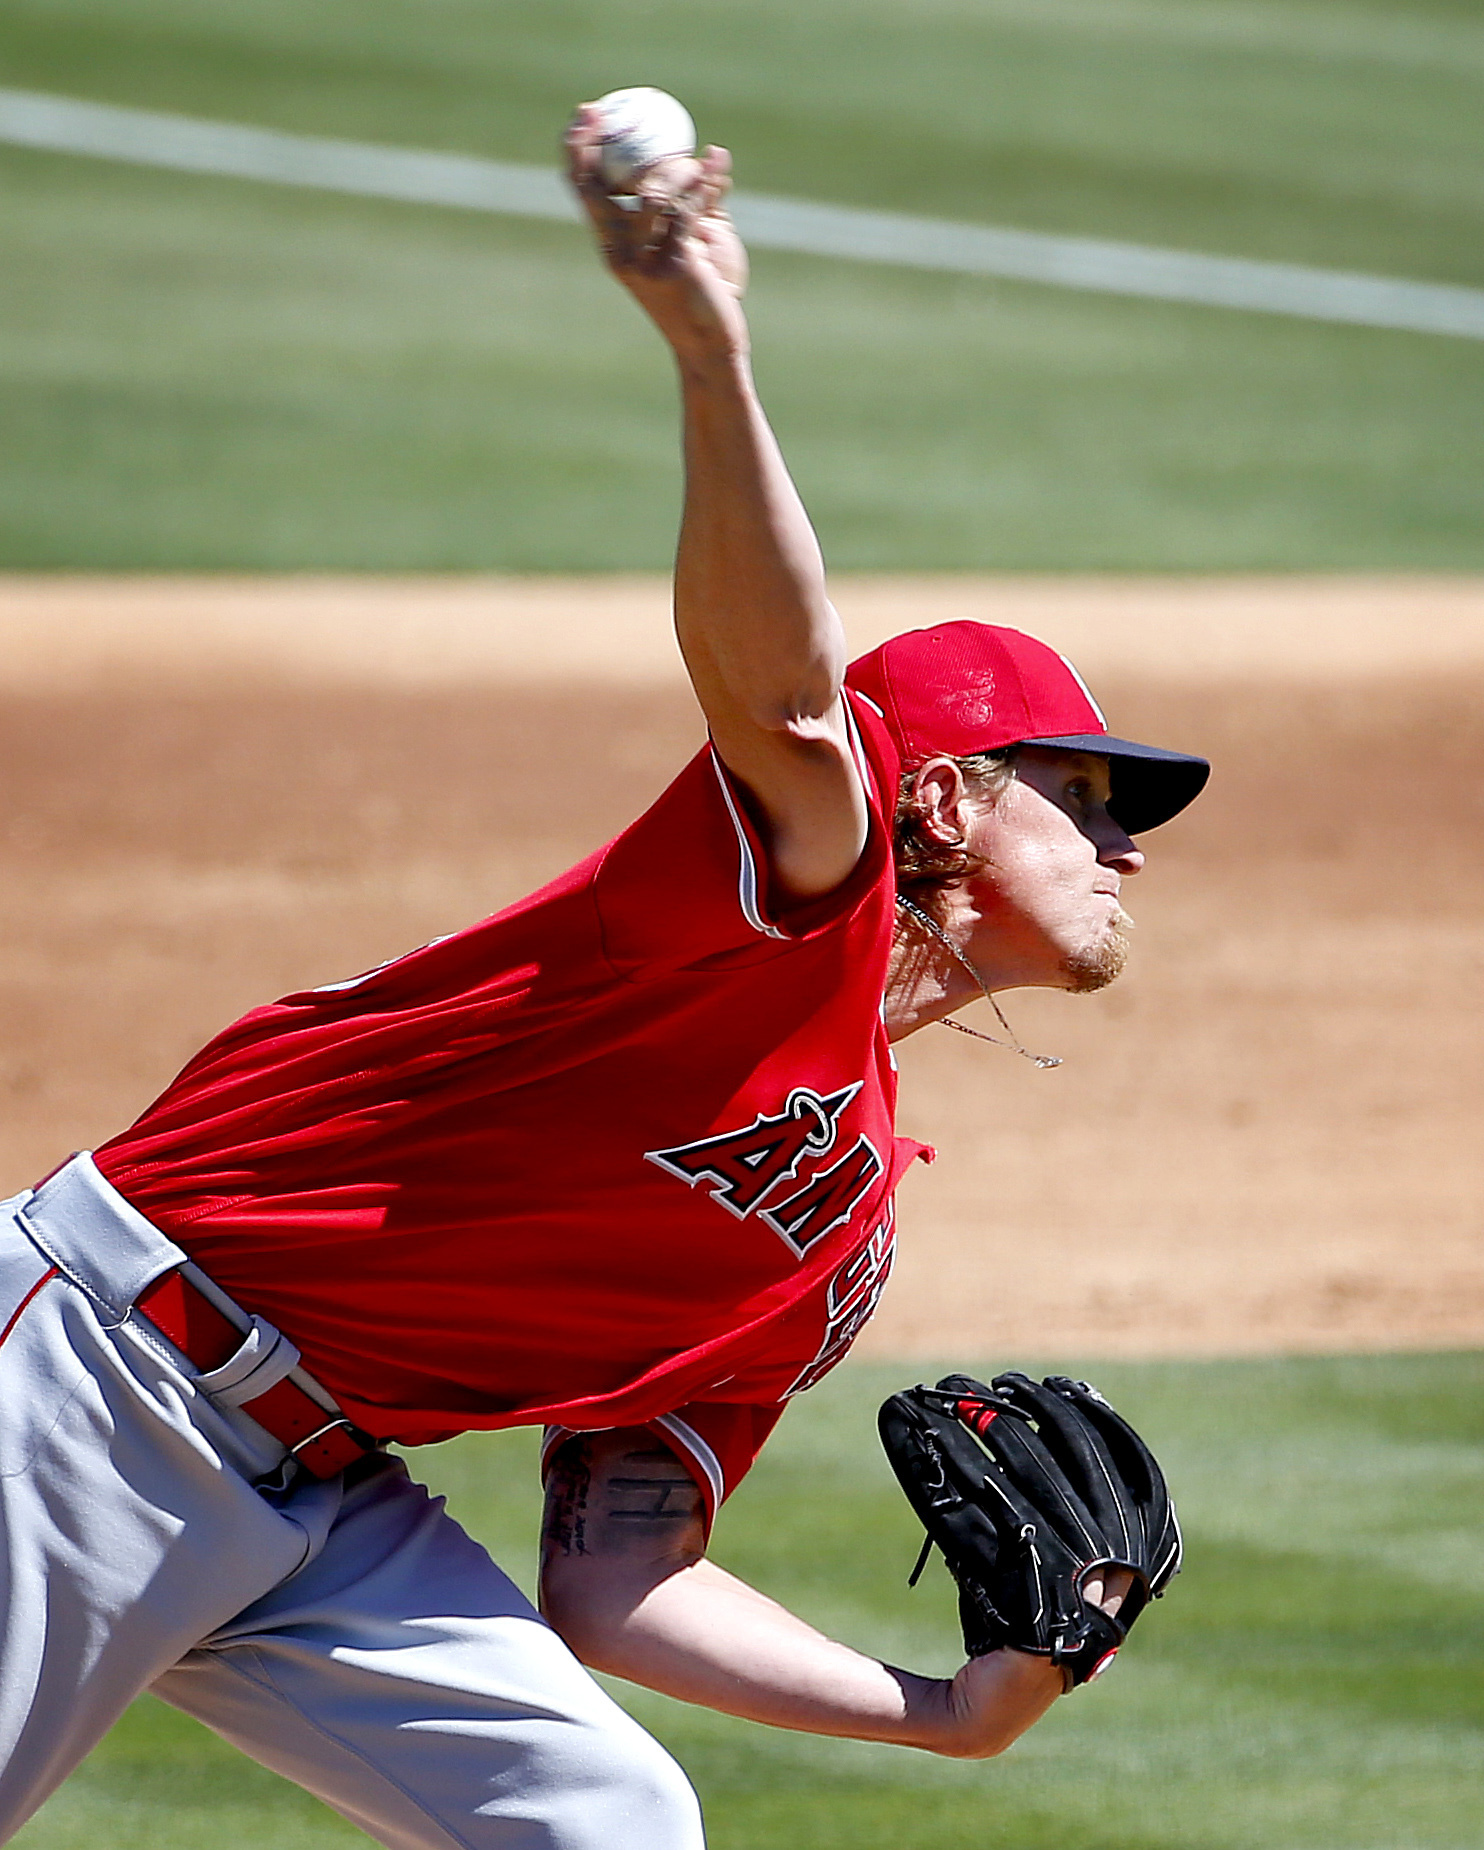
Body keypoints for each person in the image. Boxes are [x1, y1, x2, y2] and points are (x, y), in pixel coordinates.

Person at [0, 110, 1208, 1848]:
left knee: (605, 1820)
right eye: (1083, 794)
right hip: (99, 1382)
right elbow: (787, 699)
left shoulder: (837, 1222)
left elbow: (618, 1572)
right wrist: (711, 354)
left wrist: (949, 1712)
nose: (1130, 844)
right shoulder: (778, 909)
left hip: (319, 1496)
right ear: (937, 795)